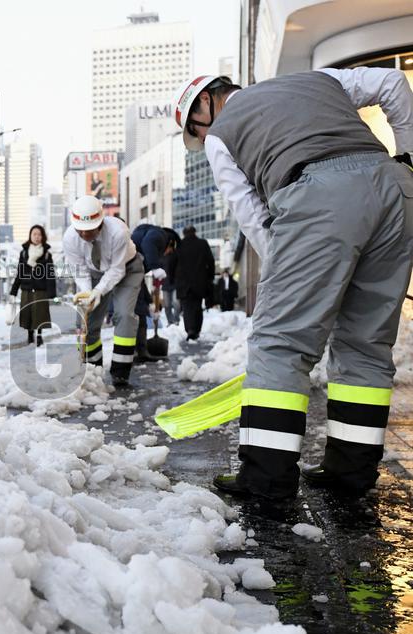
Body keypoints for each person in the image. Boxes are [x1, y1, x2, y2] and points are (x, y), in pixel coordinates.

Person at [173, 68, 413, 500]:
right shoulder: (317, 78)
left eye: (196, 126)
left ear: (206, 102)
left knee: (278, 341)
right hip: (395, 193)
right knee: (366, 341)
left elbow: (250, 214)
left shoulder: (219, 136)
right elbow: (394, 84)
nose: (201, 132)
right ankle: (350, 472)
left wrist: (290, 274)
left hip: (319, 197)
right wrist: (409, 159)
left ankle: (266, 478)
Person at [63, 195, 144, 387]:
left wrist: (99, 291)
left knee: (124, 315)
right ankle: (92, 370)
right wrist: (87, 293)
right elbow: (79, 269)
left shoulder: (118, 231)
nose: (84, 235)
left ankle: (120, 373)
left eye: (89, 230)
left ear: (100, 223)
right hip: (94, 272)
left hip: (128, 268)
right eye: (80, 230)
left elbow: (117, 270)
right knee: (85, 321)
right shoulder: (70, 238)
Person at [130, 223, 178, 359]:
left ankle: (138, 349)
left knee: (141, 308)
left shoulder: (147, 243)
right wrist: (155, 267)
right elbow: (148, 243)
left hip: (132, 274)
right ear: (171, 243)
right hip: (129, 273)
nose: (167, 254)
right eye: (170, 251)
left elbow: (139, 277)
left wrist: (150, 301)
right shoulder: (159, 235)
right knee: (139, 311)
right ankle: (140, 351)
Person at [9, 224, 56, 346]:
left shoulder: (46, 254)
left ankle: (39, 335)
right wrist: (13, 291)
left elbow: (50, 274)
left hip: (41, 289)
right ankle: (30, 335)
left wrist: (52, 293)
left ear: (43, 237)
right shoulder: (24, 253)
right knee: (27, 313)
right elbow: (20, 272)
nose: (36, 237)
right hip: (27, 288)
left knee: (39, 313)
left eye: (39, 234)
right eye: (34, 234)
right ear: (30, 236)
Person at [174, 225, 214, 341]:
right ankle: (196, 330)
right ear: (195, 232)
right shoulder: (202, 243)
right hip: (199, 281)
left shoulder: (180, 245)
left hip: (183, 282)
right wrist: (209, 277)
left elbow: (173, 262)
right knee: (197, 306)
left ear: (184, 233)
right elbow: (210, 261)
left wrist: (172, 278)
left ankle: (190, 329)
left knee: (187, 307)